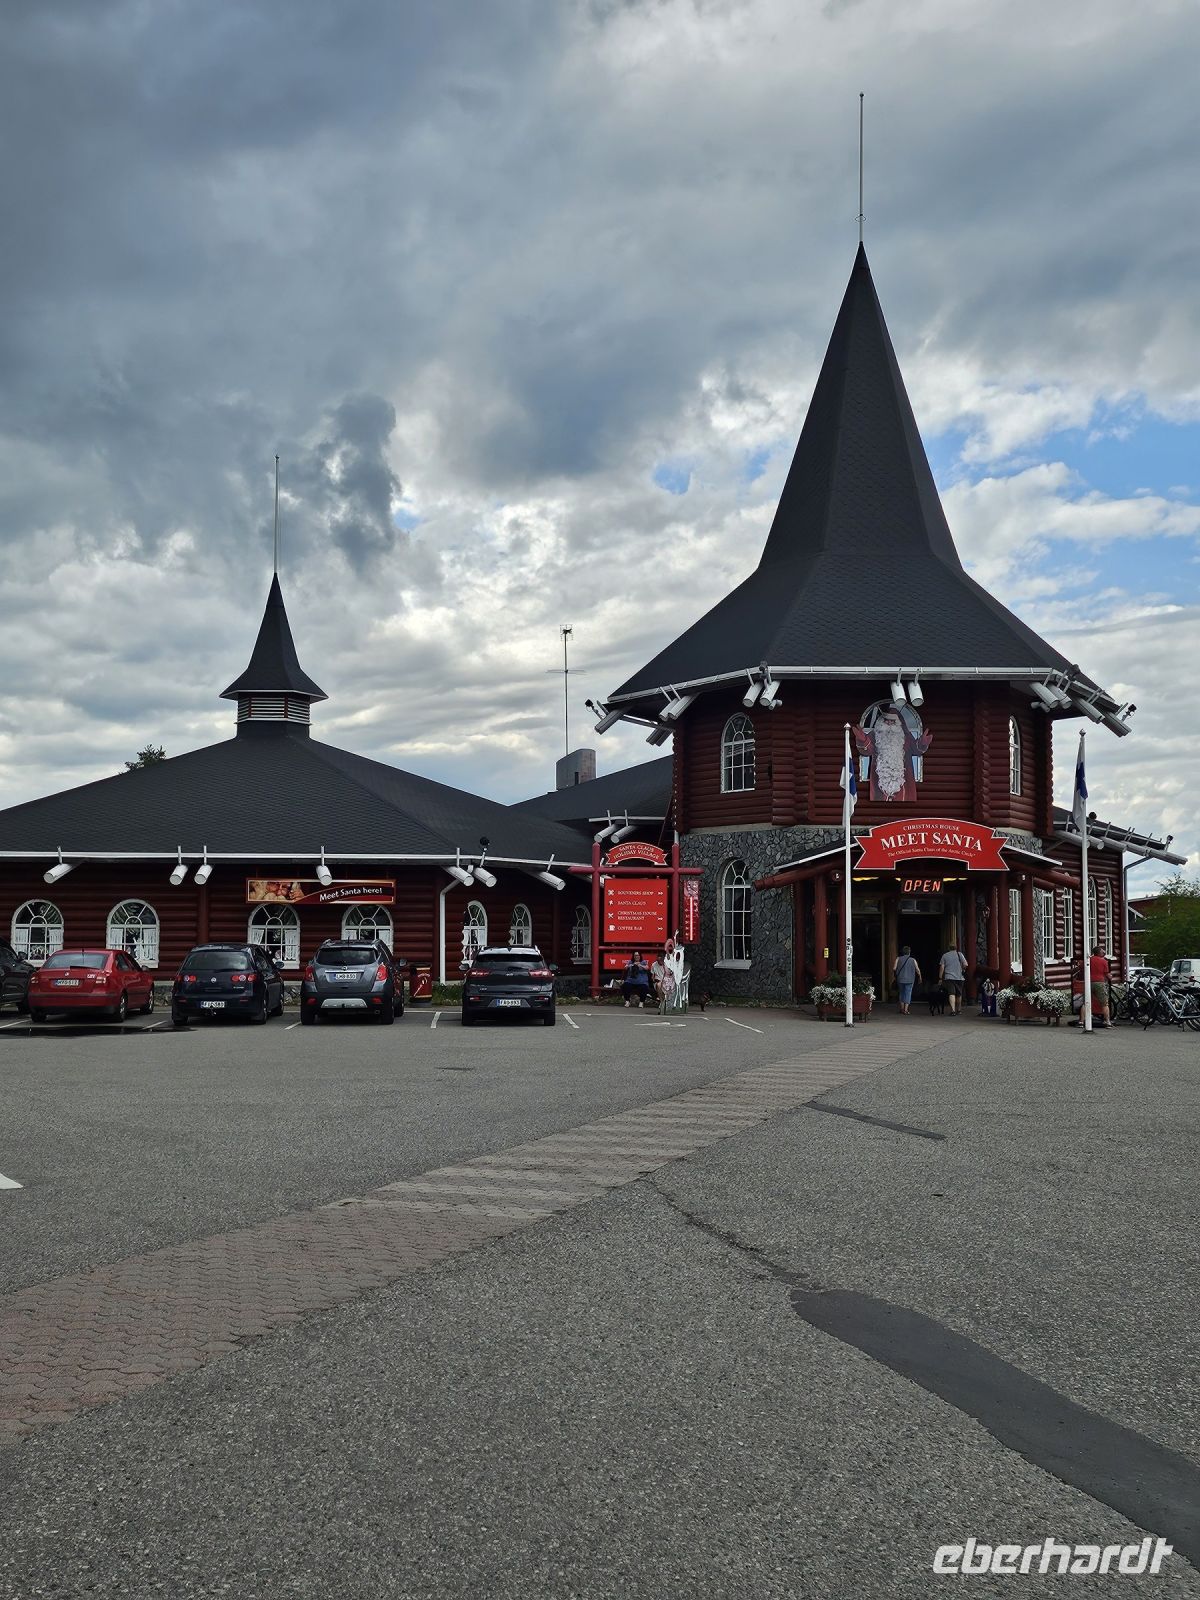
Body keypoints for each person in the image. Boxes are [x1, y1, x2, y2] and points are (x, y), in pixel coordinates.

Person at [938, 944, 968, 1015]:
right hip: (959, 977)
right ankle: (959, 1009)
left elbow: (942, 967)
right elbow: (966, 964)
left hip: (949, 977)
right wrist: (963, 970)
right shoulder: (959, 954)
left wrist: (940, 977)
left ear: (948, 948)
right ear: (956, 948)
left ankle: (953, 1010)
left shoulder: (945, 955)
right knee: (959, 994)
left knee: (951, 993)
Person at [893, 946, 920, 1014]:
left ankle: (902, 1009)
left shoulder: (898, 959)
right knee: (908, 993)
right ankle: (906, 1010)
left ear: (903, 952)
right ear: (909, 952)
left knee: (901, 993)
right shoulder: (913, 960)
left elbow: (894, 968)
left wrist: (896, 974)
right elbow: (917, 969)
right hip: (910, 980)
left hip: (900, 979)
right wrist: (920, 976)